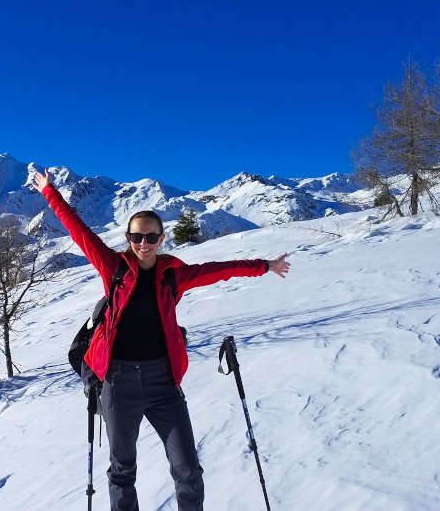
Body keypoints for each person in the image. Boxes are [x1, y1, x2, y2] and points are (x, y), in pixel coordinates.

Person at [32, 168, 290, 511]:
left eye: (150, 237)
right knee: (122, 471)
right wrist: (50, 192)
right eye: (137, 237)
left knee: (188, 469)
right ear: (128, 238)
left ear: (161, 239)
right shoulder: (114, 268)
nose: (143, 244)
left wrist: (264, 266)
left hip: (163, 383)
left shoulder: (174, 275)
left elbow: (220, 269)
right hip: (117, 382)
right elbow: (79, 232)